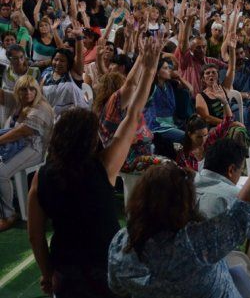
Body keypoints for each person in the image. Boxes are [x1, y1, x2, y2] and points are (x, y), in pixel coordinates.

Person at [27, 35, 162, 297]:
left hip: (66, 272)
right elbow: (134, 113)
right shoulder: (104, 167)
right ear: (90, 140)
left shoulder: (40, 177)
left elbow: (35, 236)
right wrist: (150, 67)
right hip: (106, 269)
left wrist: (47, 274)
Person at [107, 109, 250, 297]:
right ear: (185, 201)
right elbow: (245, 212)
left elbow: (117, 289)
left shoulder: (121, 244)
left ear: (139, 199)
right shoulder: (197, 243)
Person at [0, 76, 54, 231]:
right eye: (23, 89)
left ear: (38, 91)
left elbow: (22, 132)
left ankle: (9, 215)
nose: (28, 93)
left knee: (1, 173)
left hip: (34, 149)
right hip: (14, 146)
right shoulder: (18, 100)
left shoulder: (41, 108)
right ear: (18, 90)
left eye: (32, 89)